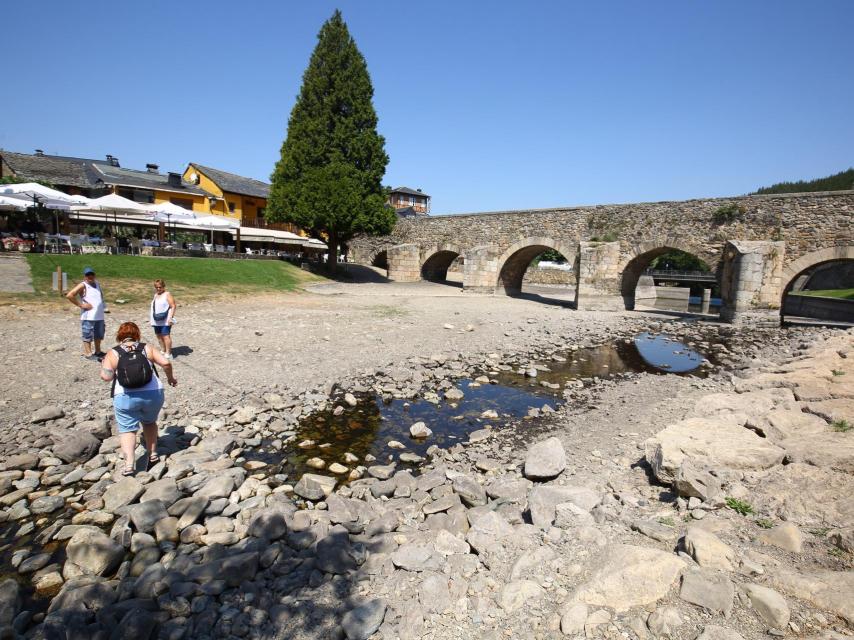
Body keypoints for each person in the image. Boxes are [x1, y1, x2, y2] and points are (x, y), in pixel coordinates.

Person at [99, 322, 177, 476]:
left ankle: (129, 465)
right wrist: (170, 378)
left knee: (127, 430)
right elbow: (166, 363)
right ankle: (153, 454)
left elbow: (106, 377)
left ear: (119, 336)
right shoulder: (147, 348)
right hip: (153, 393)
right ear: (137, 334)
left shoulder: (113, 352)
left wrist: (104, 366)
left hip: (125, 396)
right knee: (149, 422)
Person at [66, 266, 106, 361]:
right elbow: (70, 295)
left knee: (99, 334)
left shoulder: (97, 284)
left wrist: (104, 307)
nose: (90, 276)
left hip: (99, 315)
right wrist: (81, 305)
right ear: (85, 276)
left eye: (92, 274)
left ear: (94, 275)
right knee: (87, 334)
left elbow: (100, 297)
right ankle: (88, 353)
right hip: (88, 316)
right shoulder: (83, 285)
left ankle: (98, 351)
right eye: (88, 275)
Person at [150, 279, 177, 359]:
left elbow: (173, 306)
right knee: (158, 335)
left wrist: (171, 318)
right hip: (156, 319)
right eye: (157, 287)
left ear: (163, 286)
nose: (158, 289)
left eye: (160, 287)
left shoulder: (167, 294)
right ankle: (163, 349)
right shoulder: (155, 295)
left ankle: (168, 353)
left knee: (166, 336)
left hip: (166, 320)